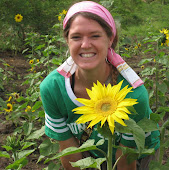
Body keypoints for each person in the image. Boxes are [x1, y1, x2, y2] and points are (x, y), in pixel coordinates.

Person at [40, 1, 160, 170]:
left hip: (138, 155)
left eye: (95, 36)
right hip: (92, 153)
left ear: (110, 39)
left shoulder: (133, 94)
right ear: (67, 40)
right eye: (76, 37)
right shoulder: (53, 89)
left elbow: (127, 160)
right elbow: (70, 154)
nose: (85, 44)